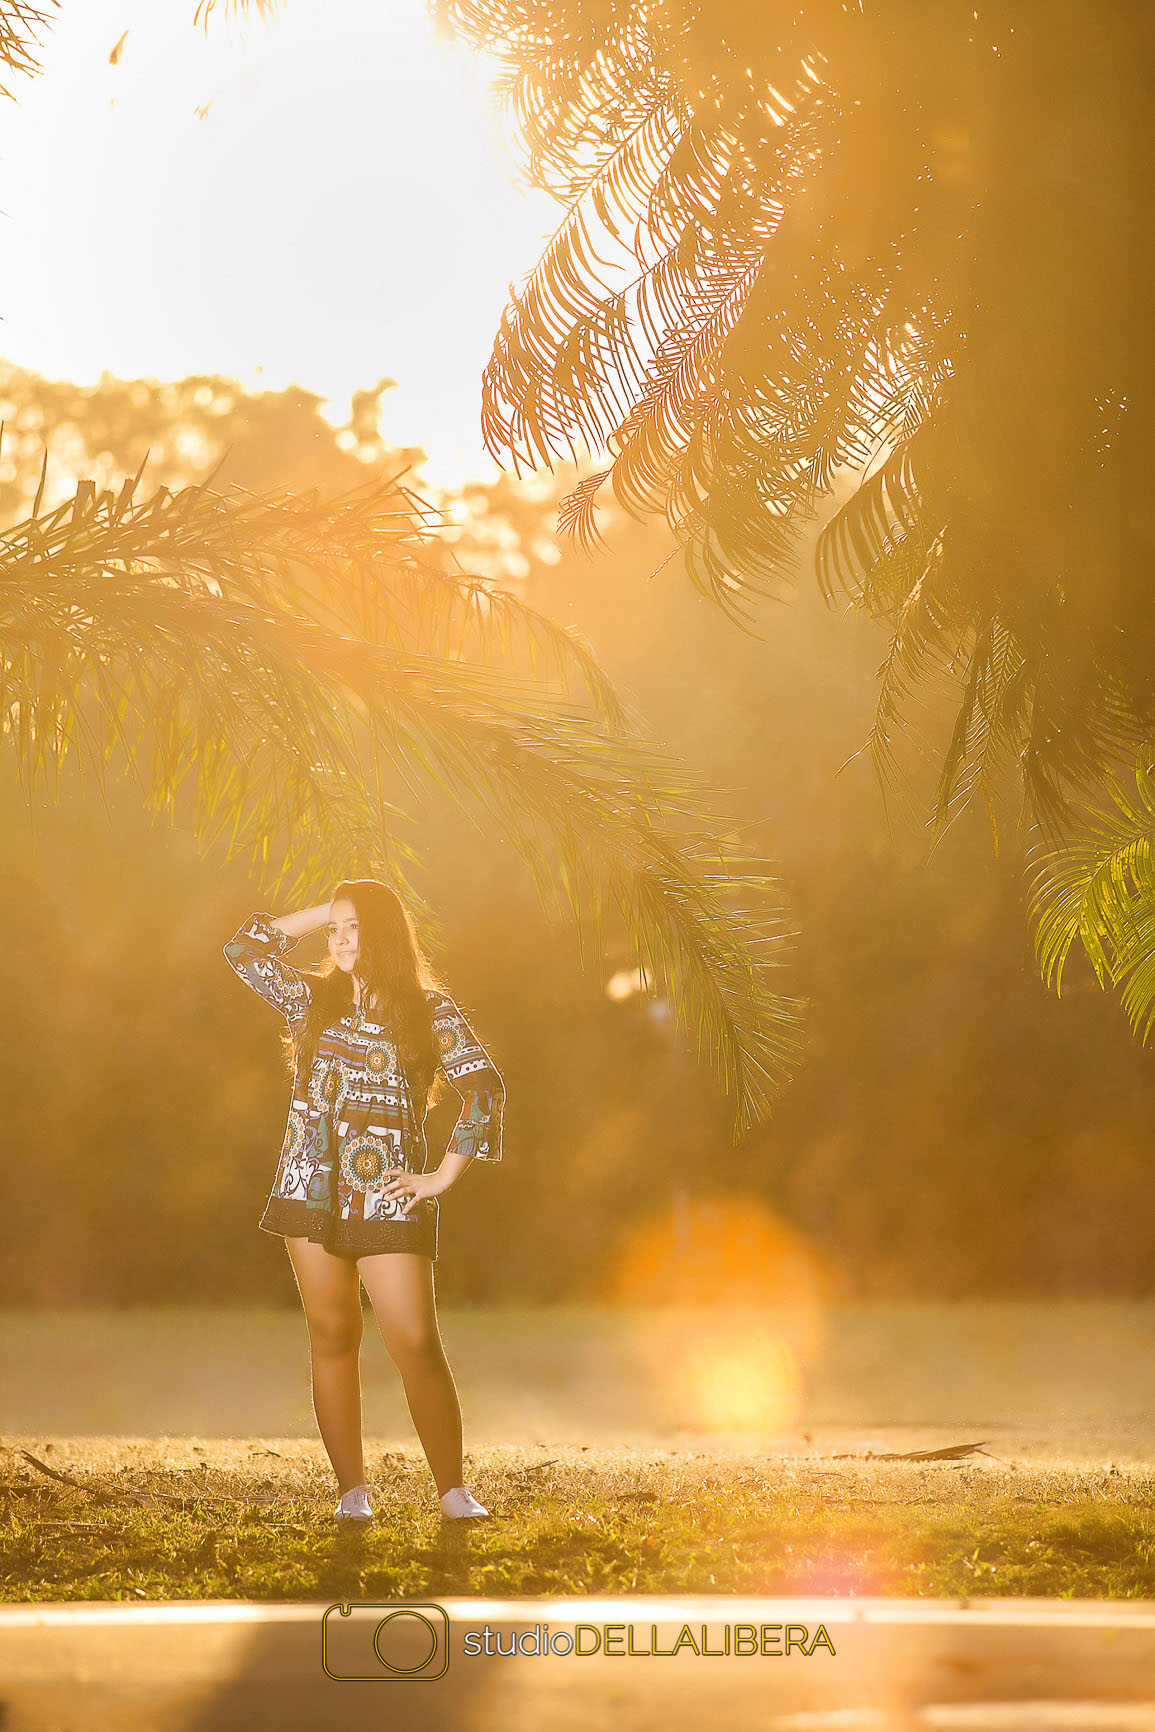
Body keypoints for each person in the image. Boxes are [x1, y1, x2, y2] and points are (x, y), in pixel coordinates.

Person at [223, 879, 504, 1523]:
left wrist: (439, 1177)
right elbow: (243, 949)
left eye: (358, 928)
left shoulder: (426, 1009)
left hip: (387, 1194)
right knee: (332, 1334)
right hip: (310, 1185)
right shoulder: (310, 999)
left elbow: (484, 1089)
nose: (344, 941)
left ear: (387, 934)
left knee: (414, 1340)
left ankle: (453, 1493)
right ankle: (353, 1494)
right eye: (336, 931)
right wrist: (333, 904)